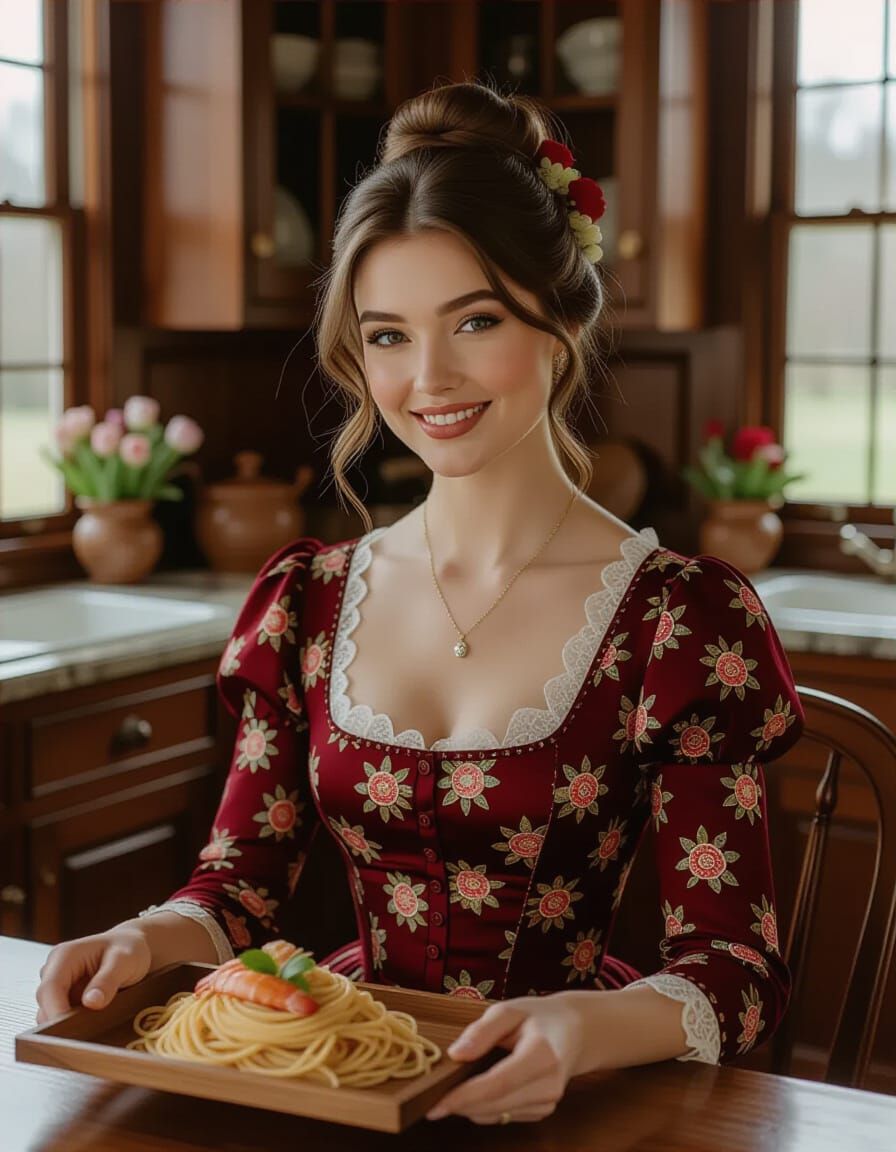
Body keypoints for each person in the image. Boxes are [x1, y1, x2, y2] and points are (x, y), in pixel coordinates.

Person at [35, 80, 805, 1126]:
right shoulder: (305, 601)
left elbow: (734, 970)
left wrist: (583, 1029)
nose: (427, 378)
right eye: (387, 335)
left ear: (558, 320)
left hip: (576, 1093)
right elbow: (237, 888)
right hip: (354, 1077)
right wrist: (144, 938)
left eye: (474, 320)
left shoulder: (681, 622)